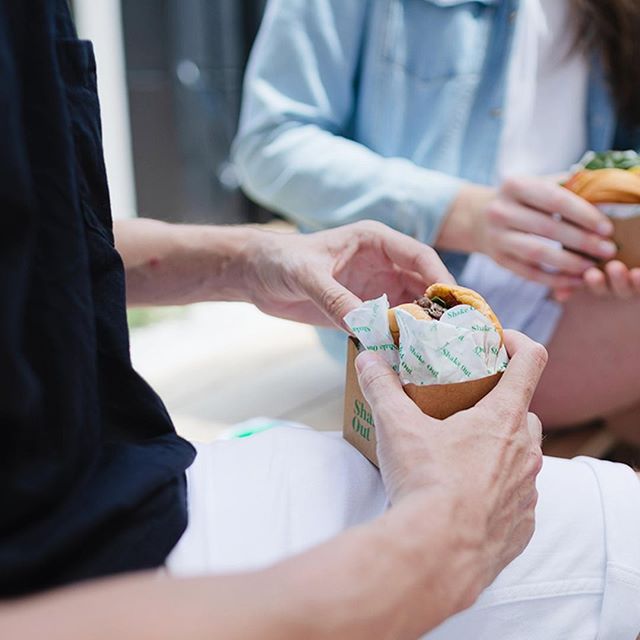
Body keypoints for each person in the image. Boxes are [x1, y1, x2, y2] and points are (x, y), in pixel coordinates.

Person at [2, 2, 640, 639]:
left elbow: (50, 241)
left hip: (133, 481)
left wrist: (244, 261)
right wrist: (442, 546)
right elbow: (272, 141)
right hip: (99, 560)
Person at [233, 0, 640, 434]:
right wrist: (464, 213)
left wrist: (614, 247)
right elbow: (269, 145)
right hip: (427, 318)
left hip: (568, 283)